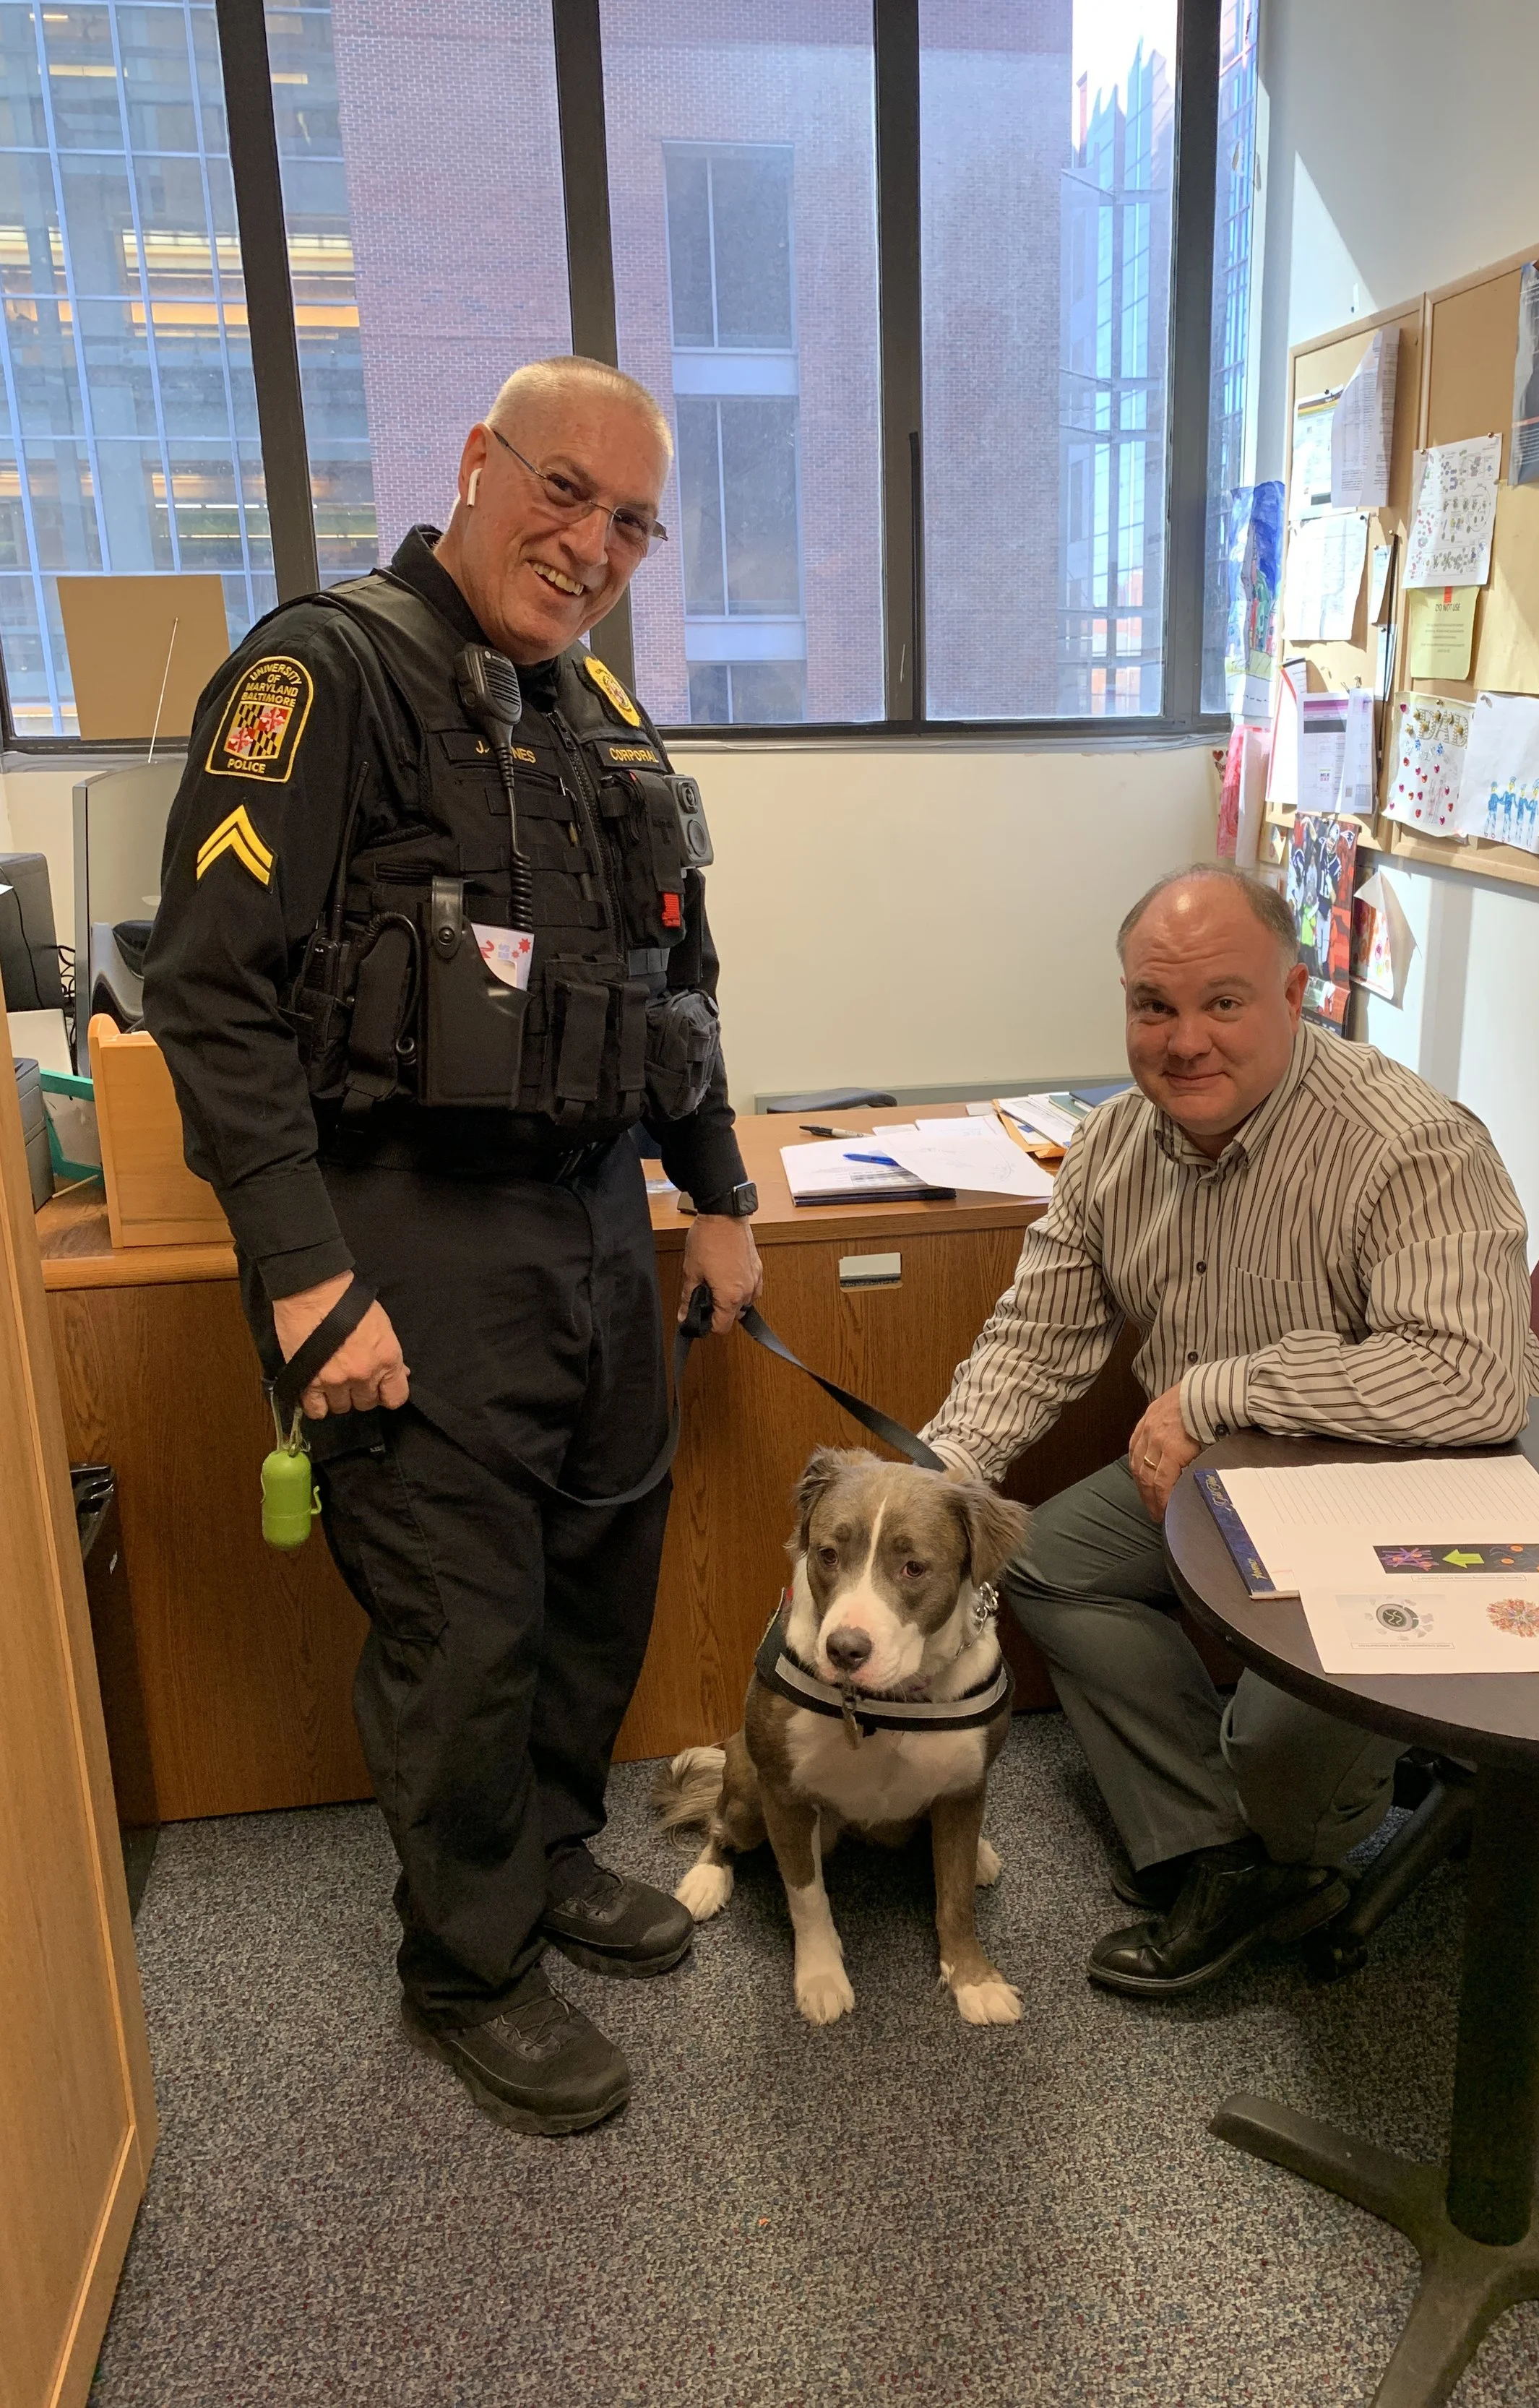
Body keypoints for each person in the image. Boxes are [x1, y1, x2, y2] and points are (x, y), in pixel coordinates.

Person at [143, 357, 764, 2134]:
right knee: (462, 1623)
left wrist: (714, 1192)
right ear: (475, 460)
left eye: (630, 524)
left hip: (588, 1226)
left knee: (594, 1576)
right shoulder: (324, 670)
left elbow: (675, 985)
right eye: (563, 494)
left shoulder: (599, 720)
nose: (589, 546)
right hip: (397, 1233)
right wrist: (306, 1280)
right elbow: (209, 994)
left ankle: (546, 1852)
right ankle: (467, 1964)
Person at [920, 863, 1539, 2000]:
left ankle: (1287, 1825)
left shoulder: (1412, 1145)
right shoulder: (1116, 1147)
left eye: (1223, 1003)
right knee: (1044, 1559)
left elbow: (1467, 1386)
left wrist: (1217, 1393)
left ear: (1296, 991)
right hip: (1229, 1471)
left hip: (1428, 1477)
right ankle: (1223, 1852)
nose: (1184, 1042)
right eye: (1153, 1007)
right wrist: (927, 1486)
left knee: (1281, 1749)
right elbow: (1035, 1339)